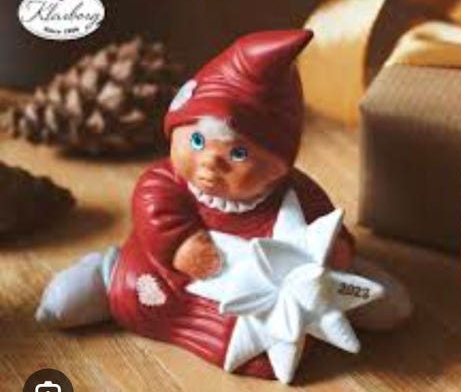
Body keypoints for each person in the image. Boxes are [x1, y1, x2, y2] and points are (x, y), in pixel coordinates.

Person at [36, 30, 412, 381]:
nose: (210, 163)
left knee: (274, 330)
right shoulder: (165, 181)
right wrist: (181, 244)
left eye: (238, 153)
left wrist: (335, 252)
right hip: (171, 275)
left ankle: (349, 290)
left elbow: (322, 224)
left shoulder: (294, 196)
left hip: (262, 294)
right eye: (197, 141)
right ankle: (106, 274)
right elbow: (154, 210)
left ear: (279, 166)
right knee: (137, 287)